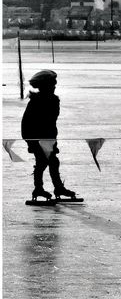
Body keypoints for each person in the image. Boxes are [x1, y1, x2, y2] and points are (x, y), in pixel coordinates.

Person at [21, 70, 76, 201]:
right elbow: (27, 123)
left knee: (52, 162)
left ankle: (56, 188)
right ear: (45, 86)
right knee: (43, 162)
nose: (55, 86)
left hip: (49, 138)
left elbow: (51, 123)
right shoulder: (37, 102)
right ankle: (39, 188)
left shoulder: (53, 100)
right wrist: (31, 141)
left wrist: (52, 140)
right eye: (52, 84)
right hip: (37, 138)